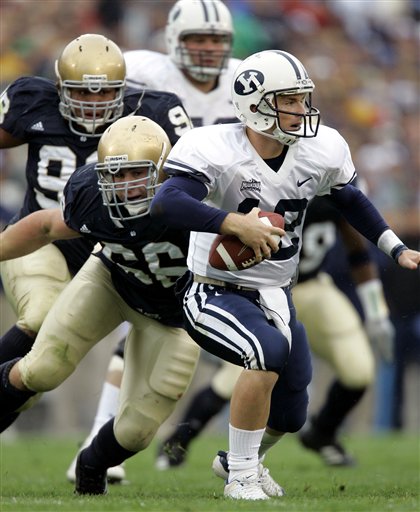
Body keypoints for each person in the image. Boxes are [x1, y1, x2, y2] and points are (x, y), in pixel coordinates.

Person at [149, 49, 420, 500]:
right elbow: (167, 202)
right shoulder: (214, 147)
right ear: (254, 104)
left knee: (293, 410)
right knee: (266, 352)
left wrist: (394, 246)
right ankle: (239, 476)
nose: (301, 109)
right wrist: (231, 222)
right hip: (212, 289)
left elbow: (350, 200)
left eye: (301, 99)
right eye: (288, 100)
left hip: (277, 288)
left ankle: (244, 460)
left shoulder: (321, 149)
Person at [65, 0, 240, 482]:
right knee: (128, 332)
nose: (206, 50)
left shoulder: (246, 77)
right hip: (148, 211)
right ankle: (97, 437)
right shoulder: (144, 70)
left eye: (215, 40)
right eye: (196, 40)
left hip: (212, 223)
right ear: (172, 42)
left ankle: (243, 459)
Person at [0, 33, 192, 435]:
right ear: (59, 88)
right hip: (46, 237)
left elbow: (192, 177)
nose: (93, 104)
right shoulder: (31, 102)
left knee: (42, 370)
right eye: (81, 94)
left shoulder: (154, 114)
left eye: (105, 93)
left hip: (110, 249)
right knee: (39, 316)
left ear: (124, 90)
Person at [0, 115, 200, 496]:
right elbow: (45, 226)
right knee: (42, 368)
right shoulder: (92, 193)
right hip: (110, 281)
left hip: (175, 318)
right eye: (116, 174)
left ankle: (90, 463)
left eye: (137, 174)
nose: (125, 186)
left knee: (137, 431)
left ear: (162, 171)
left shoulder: (196, 200)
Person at [155, 193, 395, 470]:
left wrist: (377, 311)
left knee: (359, 370)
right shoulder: (266, 180)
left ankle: (323, 433)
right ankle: (179, 440)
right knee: (235, 378)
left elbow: (359, 252)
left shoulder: (332, 180)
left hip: (312, 287)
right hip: (260, 290)